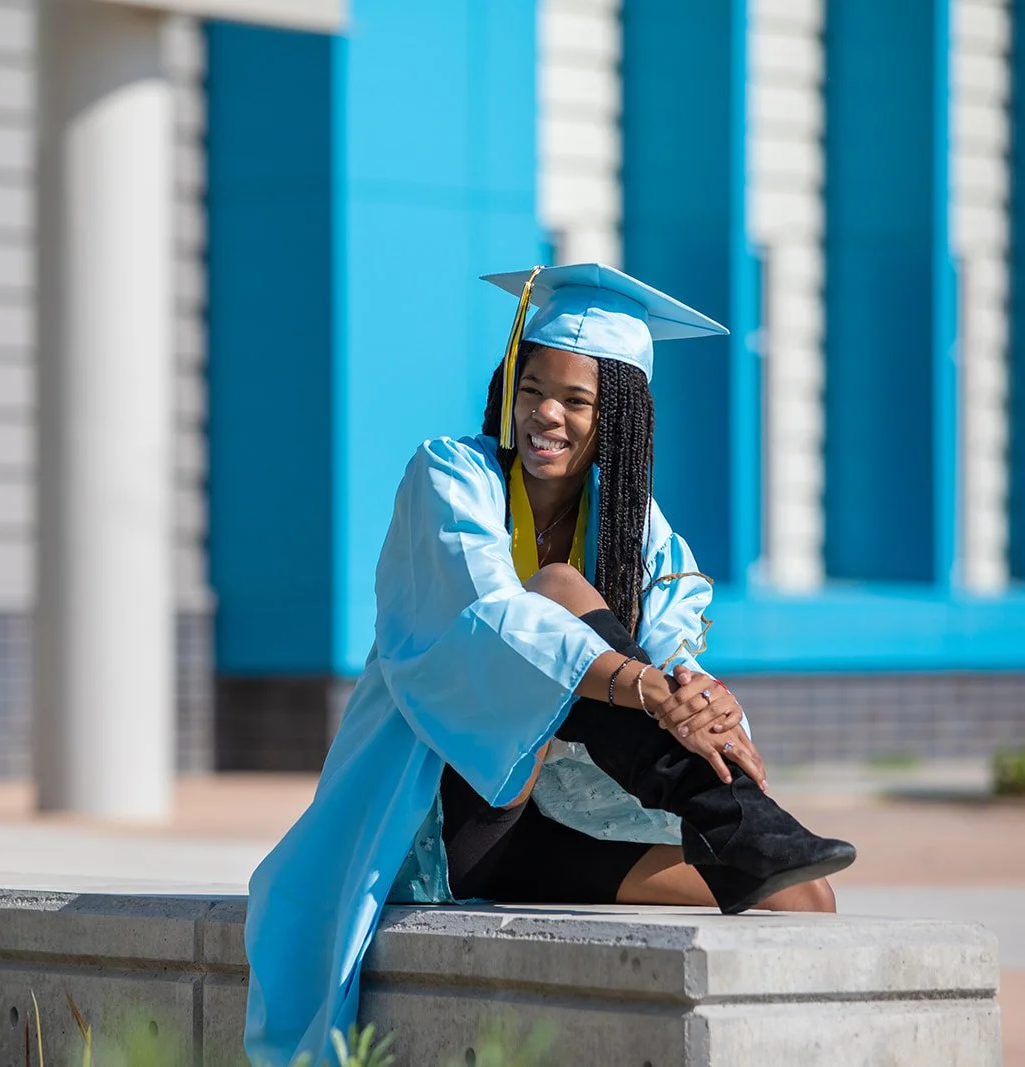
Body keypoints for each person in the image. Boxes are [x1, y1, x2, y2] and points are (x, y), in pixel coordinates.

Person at [241, 264, 857, 1067]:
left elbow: (672, 646)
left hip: (557, 829)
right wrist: (641, 686)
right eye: (533, 389)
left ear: (620, 419)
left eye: (577, 400)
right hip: (452, 818)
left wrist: (705, 706)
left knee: (802, 896)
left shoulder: (636, 527)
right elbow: (490, 622)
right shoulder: (451, 477)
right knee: (560, 589)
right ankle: (725, 808)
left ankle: (729, 809)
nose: (547, 415)